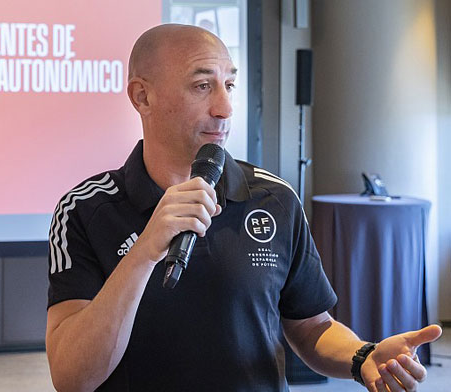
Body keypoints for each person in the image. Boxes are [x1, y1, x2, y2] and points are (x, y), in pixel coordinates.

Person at [45, 24, 442, 392]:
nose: (225, 108)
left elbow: (312, 327)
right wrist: (144, 252)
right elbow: (72, 377)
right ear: (142, 96)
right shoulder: (84, 210)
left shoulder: (275, 199)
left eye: (229, 85)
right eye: (202, 86)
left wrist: (362, 356)